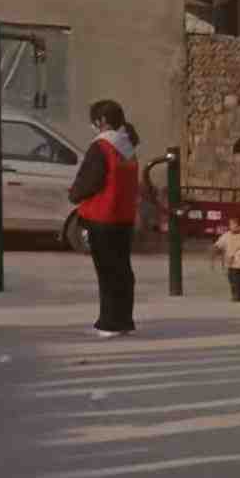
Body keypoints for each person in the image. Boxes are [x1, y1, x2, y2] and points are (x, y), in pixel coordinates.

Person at [67, 99, 141, 338]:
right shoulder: (128, 147)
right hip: (124, 217)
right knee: (122, 270)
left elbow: (90, 179)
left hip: (102, 216)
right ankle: (124, 319)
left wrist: (74, 194)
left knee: (107, 272)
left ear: (102, 121)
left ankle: (109, 323)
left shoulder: (102, 146)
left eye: (94, 120)